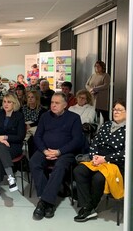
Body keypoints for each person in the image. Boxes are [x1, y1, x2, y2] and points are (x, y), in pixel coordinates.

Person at [29, 92, 83, 220]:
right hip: (46, 150)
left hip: (65, 152)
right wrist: (44, 150)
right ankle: (48, 202)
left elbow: (77, 140)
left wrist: (59, 151)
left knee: (59, 166)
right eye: (52, 102)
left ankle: (44, 202)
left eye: (57, 103)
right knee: (33, 162)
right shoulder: (45, 116)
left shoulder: (74, 118)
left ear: (65, 105)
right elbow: (38, 136)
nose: (53, 105)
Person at [73, 99, 126, 222]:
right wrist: (94, 156)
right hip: (98, 158)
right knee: (79, 170)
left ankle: (90, 206)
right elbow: (95, 141)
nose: (115, 112)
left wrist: (105, 159)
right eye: (114, 110)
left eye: (119, 110)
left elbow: (126, 152)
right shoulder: (107, 124)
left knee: (98, 178)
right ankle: (87, 206)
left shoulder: (129, 129)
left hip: (115, 162)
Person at [0, 94, 25, 201]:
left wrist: (5, 137)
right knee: (1, 147)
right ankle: (10, 177)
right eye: (4, 101)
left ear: (14, 103)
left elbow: (20, 136)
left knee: (0, 156)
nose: (6, 104)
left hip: (13, 146)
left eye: (9, 102)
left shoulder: (19, 116)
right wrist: (1, 140)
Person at [21, 90, 47, 156]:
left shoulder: (42, 110)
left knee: (33, 138)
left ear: (37, 98)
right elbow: (19, 119)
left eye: (32, 97)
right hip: (24, 126)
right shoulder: (22, 108)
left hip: (35, 128)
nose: (30, 99)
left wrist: (30, 125)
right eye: (28, 97)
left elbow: (41, 121)